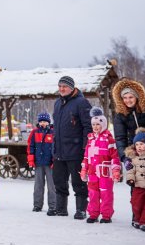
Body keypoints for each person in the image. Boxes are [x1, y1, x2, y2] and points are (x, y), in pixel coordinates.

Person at [112, 77, 145, 227]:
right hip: (133, 153)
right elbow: (120, 137)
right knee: (136, 185)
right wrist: (124, 156)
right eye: (125, 98)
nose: (128, 100)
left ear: (137, 96)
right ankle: (137, 215)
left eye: (131, 97)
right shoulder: (120, 116)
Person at [52, 75, 92, 219]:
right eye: (60, 86)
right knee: (59, 181)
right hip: (59, 151)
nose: (62, 89)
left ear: (72, 87)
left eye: (65, 86)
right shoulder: (57, 103)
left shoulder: (82, 103)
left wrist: (85, 147)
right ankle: (61, 208)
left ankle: (81, 209)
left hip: (76, 151)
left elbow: (88, 126)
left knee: (79, 182)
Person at [80, 107, 121, 223]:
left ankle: (106, 215)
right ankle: (93, 214)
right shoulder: (90, 139)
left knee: (106, 194)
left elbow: (114, 157)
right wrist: (84, 169)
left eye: (98, 124)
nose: (95, 127)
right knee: (93, 193)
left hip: (105, 172)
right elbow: (86, 156)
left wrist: (116, 170)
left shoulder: (109, 139)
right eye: (93, 125)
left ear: (103, 124)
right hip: (92, 172)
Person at [27, 112, 56, 215]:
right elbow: (30, 146)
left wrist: (54, 160)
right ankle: (37, 205)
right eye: (41, 121)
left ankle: (53, 206)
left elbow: (55, 147)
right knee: (38, 185)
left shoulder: (52, 132)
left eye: (45, 121)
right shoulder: (34, 132)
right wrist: (31, 159)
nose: (43, 123)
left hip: (49, 163)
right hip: (38, 163)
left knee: (52, 186)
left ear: (48, 122)